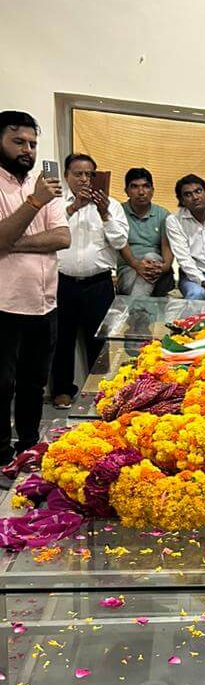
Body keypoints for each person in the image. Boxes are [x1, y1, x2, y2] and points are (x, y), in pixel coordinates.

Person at [0, 111, 69, 465]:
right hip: (5, 304)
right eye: (18, 142)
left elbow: (62, 237)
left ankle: (27, 447)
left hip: (44, 303)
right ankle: (0, 456)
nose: (27, 150)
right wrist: (35, 203)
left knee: (34, 384)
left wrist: (14, 242)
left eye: (32, 143)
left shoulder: (44, 184)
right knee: (1, 386)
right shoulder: (39, 192)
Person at [51, 153, 129, 408]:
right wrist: (74, 207)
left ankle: (100, 391)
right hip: (61, 282)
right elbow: (47, 232)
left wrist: (104, 213)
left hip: (99, 283)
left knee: (100, 341)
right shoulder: (56, 203)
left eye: (89, 174)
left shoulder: (112, 205)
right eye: (78, 174)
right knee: (62, 339)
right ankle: (62, 390)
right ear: (66, 176)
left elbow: (120, 242)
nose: (84, 179)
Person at [117, 167, 174, 297]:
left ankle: (137, 306)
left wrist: (163, 267)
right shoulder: (119, 212)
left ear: (152, 191)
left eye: (146, 186)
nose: (141, 192)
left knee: (151, 257)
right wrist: (137, 265)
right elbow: (119, 243)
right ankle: (139, 304)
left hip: (157, 270)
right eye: (135, 187)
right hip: (128, 270)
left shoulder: (163, 214)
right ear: (126, 191)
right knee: (141, 276)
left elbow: (167, 247)